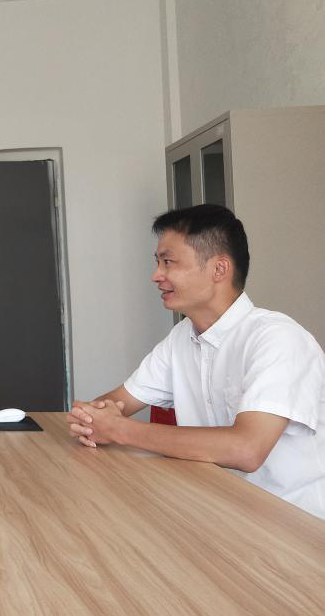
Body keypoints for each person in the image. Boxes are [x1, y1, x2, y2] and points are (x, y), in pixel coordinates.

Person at [69, 204, 325, 519]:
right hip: (218, 510)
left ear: (219, 269)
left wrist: (119, 429)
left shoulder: (278, 338)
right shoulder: (181, 337)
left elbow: (246, 450)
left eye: (168, 262)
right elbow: (116, 403)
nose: (156, 275)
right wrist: (96, 417)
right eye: (157, 262)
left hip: (295, 524)